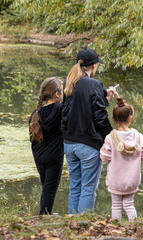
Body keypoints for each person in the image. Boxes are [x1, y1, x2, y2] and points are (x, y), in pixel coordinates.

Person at [61, 48, 117, 214]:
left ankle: (72, 222)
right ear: (93, 66)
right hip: (88, 146)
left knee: (75, 186)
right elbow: (99, 117)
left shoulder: (68, 82)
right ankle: (84, 224)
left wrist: (104, 97)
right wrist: (112, 137)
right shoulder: (94, 84)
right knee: (88, 188)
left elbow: (76, 108)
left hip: (69, 145)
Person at [100, 97, 143, 221]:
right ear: (130, 118)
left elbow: (104, 157)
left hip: (115, 180)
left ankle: (116, 227)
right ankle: (135, 225)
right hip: (132, 179)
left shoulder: (110, 138)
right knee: (129, 204)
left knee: (116, 205)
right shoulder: (139, 137)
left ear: (113, 119)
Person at [29, 77, 64, 215]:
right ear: (56, 94)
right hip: (54, 156)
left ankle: (45, 214)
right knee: (50, 190)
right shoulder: (60, 109)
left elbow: (32, 138)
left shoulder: (35, 114)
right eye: (62, 91)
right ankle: (43, 217)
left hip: (39, 157)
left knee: (46, 188)